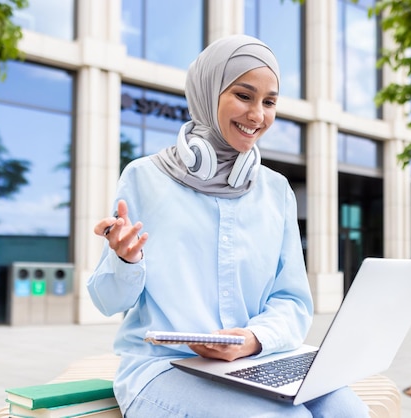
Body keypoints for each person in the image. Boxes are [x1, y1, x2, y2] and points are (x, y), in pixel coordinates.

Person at [87, 34, 369, 417]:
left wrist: (254, 339)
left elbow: (292, 301)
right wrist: (125, 261)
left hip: (254, 361)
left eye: (269, 102)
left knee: (350, 413)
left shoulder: (276, 190)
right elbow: (108, 301)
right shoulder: (143, 178)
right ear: (208, 92)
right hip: (162, 367)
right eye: (244, 95)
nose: (258, 115)